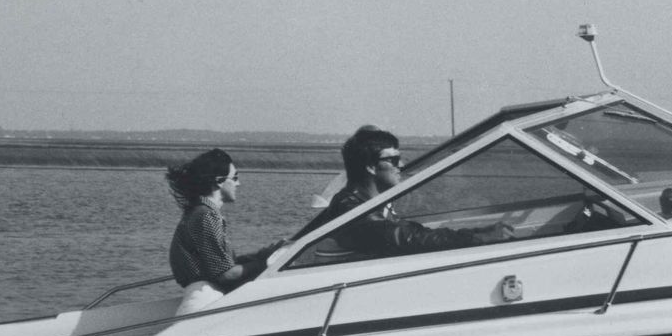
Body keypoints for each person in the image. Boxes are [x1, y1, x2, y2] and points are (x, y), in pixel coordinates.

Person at [304, 124, 511, 258]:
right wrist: (479, 239)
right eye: (393, 160)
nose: (401, 165)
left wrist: (478, 232)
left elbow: (413, 233)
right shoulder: (351, 210)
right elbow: (404, 236)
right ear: (371, 167)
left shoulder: (369, 203)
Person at [164, 150, 273, 302]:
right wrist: (267, 262)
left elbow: (221, 264)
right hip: (206, 296)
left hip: (205, 293)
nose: (238, 184)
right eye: (235, 178)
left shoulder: (200, 212)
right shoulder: (206, 215)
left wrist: (262, 254)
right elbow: (226, 274)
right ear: (219, 181)